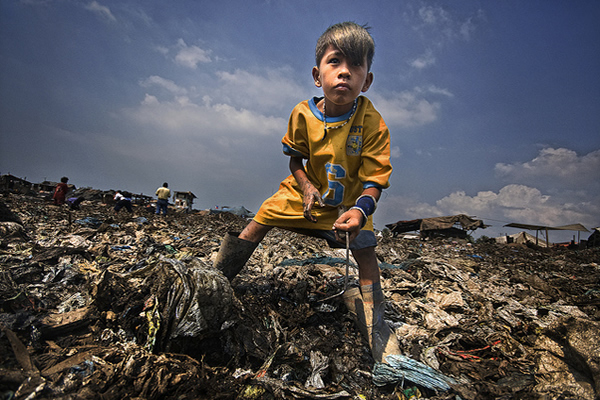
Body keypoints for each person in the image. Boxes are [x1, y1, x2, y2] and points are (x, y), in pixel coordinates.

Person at [214, 22, 400, 364]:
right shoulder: (302, 114)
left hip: (348, 204)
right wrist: (306, 185)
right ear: (318, 75)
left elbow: (375, 178)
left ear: (367, 80)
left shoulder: (373, 123)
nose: (344, 72)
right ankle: (216, 280)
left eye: (356, 65)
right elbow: (295, 159)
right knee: (260, 219)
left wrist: (360, 212)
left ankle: (377, 330)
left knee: (367, 254)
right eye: (335, 62)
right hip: (305, 196)